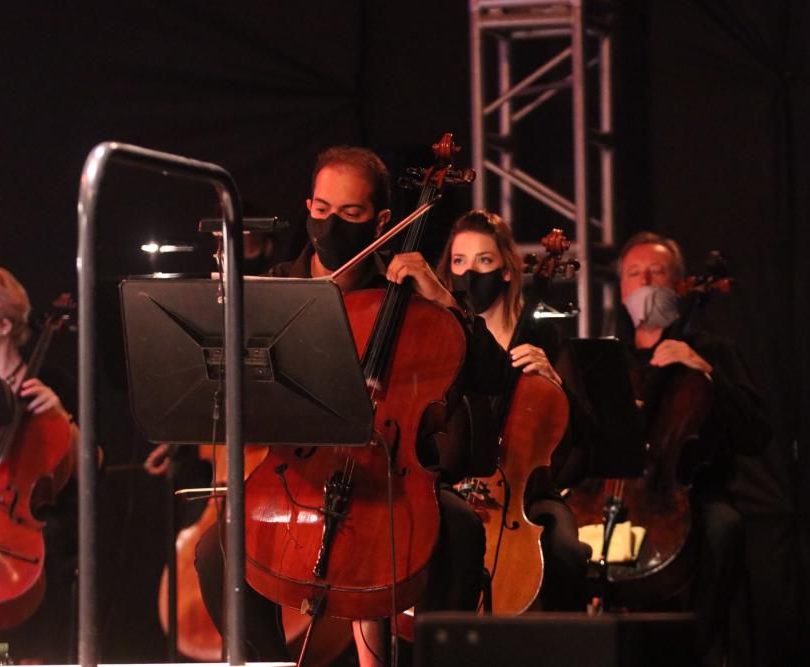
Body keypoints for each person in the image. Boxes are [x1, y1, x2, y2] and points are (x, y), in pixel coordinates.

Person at [192, 146, 503, 667]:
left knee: (462, 529)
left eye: (351, 214)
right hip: (299, 475)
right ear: (307, 206)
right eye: (321, 210)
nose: (331, 224)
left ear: (381, 220)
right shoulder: (276, 288)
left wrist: (445, 302)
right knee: (215, 552)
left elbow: (494, 376)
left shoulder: (408, 297)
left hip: (390, 478)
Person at [615, 231, 771, 666]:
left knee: (723, 528)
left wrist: (705, 372)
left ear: (681, 286)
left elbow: (757, 435)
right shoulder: (611, 360)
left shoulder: (715, 352)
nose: (645, 280)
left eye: (657, 271)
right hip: (618, 500)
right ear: (621, 289)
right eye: (634, 273)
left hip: (695, 497)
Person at [434, 209, 591, 612]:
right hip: (450, 491)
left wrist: (554, 382)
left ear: (506, 269)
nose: (470, 273)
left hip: (526, 496)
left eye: (484, 261)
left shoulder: (543, 336)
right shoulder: (440, 338)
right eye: (459, 261)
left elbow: (587, 436)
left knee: (566, 551)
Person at [0, 266, 82, 663]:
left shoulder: (54, 381)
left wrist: (61, 416)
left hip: (30, 526)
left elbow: (94, 466)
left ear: (3, 325)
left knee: (52, 540)